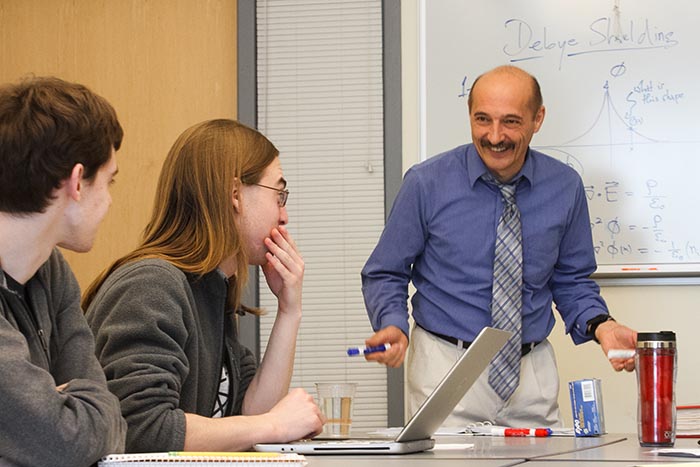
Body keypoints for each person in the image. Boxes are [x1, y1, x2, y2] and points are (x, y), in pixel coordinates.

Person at [360, 65, 638, 428]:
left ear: (538, 118)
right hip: (446, 365)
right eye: (482, 120)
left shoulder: (565, 187)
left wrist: (603, 325)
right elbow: (386, 271)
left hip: (531, 370)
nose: (494, 136)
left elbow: (572, 281)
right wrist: (393, 324)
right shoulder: (426, 183)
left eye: (510, 121)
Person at [83, 119, 324, 453]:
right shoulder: (153, 284)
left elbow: (247, 417)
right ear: (235, 194)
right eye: (279, 195)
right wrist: (274, 425)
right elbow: (142, 428)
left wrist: (289, 310)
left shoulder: (211, 289)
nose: (284, 216)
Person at [0, 76, 126, 466]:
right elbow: (65, 441)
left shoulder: (50, 270)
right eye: (108, 181)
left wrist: (74, 407)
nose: (108, 202)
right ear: (76, 182)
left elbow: (110, 422)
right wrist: (67, 410)